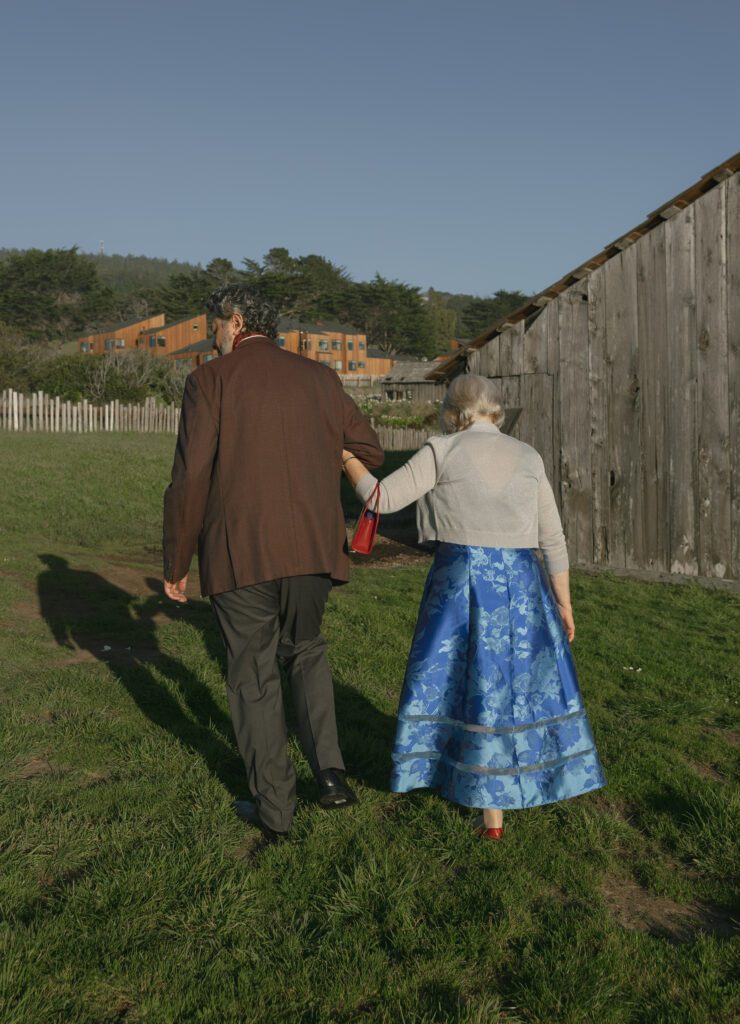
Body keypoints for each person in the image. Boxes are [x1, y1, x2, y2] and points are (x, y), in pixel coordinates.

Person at [163, 284, 384, 843]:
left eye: (215, 323)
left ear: (235, 323)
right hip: (314, 550)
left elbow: (190, 479)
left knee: (254, 676)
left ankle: (275, 813)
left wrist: (176, 562)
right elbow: (372, 451)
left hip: (241, 553)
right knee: (306, 652)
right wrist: (325, 449)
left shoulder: (209, 381)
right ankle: (330, 773)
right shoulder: (321, 379)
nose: (213, 333)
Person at [342, 374, 605, 840]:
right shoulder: (527, 455)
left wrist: (344, 455)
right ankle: (501, 805)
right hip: (524, 588)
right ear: (495, 410)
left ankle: (477, 797)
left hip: (460, 583)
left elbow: (378, 498)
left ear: (454, 411)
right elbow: (554, 539)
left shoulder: (443, 450)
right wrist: (564, 603)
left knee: (458, 683)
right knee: (509, 690)